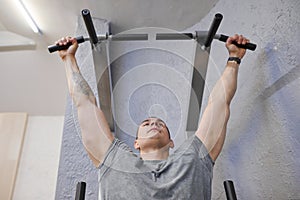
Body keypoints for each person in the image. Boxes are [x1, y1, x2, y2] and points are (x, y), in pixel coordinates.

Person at [56, 34, 249, 199]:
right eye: (146, 122)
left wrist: (234, 58)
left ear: (172, 142)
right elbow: (85, 104)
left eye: (161, 124)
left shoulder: (194, 159)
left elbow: (219, 104)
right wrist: (68, 58)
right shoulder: (116, 160)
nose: (154, 123)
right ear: (136, 143)